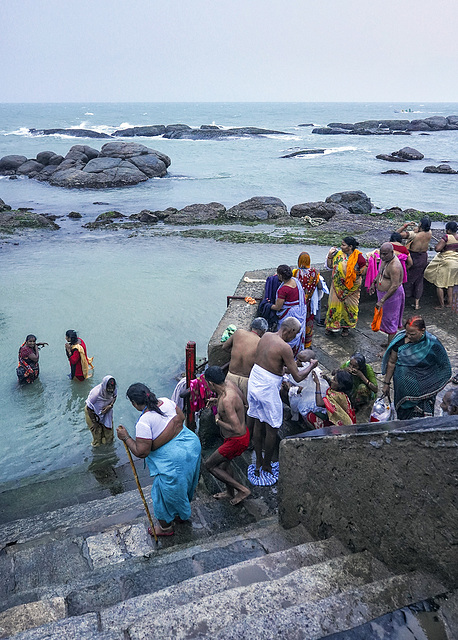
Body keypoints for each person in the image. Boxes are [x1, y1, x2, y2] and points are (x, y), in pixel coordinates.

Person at [117, 383, 201, 537]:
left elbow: (142, 452)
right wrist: (172, 428)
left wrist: (126, 437)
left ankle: (165, 528)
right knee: (184, 485)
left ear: (134, 403)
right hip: (191, 446)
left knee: (162, 494)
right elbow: (180, 419)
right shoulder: (167, 402)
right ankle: (179, 514)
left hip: (175, 459)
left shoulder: (144, 421)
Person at [247, 317, 318, 478]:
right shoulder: (285, 347)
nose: (296, 337)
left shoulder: (266, 336)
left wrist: (286, 369)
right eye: (296, 334)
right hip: (267, 388)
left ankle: (258, 461)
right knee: (272, 427)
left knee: (258, 422)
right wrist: (312, 365)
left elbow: (272, 365)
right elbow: (299, 377)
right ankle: (266, 464)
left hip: (255, 381)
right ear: (290, 331)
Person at [382, 316, 451, 420]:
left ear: (422, 330)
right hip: (402, 388)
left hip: (424, 388)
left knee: (421, 417)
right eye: (407, 333)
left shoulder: (432, 343)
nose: (408, 336)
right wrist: (386, 384)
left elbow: (444, 366)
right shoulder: (399, 341)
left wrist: (431, 382)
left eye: (412, 334)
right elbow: (392, 362)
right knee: (403, 415)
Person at [203, 366, 251, 505]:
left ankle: (242, 490)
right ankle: (230, 492)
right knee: (224, 465)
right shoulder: (229, 385)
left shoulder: (227, 400)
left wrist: (218, 420)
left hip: (236, 440)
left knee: (210, 465)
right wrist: (216, 402)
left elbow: (235, 428)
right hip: (237, 437)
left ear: (211, 383)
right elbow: (243, 403)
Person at [325, 237, 367, 337]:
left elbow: (363, 272)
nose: (341, 246)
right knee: (333, 306)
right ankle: (331, 327)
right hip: (337, 286)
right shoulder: (338, 254)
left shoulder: (359, 257)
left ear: (350, 247)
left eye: (343, 245)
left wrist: (355, 272)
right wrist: (330, 256)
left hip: (352, 288)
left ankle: (345, 328)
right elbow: (330, 266)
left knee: (349, 308)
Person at [222, 317, 268, 406]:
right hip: (247, 380)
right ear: (263, 331)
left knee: (229, 405)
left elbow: (224, 347)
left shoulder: (238, 333)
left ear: (251, 327)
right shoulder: (261, 342)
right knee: (246, 407)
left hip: (231, 376)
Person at [370, 242, 405, 352]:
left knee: (391, 321)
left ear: (392, 252)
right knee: (385, 318)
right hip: (383, 293)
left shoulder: (395, 266)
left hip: (392, 296)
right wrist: (373, 283)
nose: (383, 256)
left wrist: (383, 300)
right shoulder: (384, 260)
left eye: (385, 254)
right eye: (382, 254)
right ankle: (389, 342)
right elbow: (380, 273)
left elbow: (394, 285)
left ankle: (390, 349)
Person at [269, 264, 307, 356]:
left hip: (289, 314)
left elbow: (278, 307)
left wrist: (267, 305)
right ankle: (296, 354)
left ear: (281, 276)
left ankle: (284, 354)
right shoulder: (295, 281)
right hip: (299, 311)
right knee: (296, 334)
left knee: (286, 334)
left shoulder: (283, 289)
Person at [282, 349, 329, 422]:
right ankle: (293, 410)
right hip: (302, 394)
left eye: (300, 361)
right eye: (297, 359)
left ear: (309, 363)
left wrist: (292, 388)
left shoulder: (315, 373)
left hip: (310, 398)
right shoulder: (298, 366)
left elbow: (303, 387)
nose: (297, 362)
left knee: (285, 392)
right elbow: (286, 371)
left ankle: (298, 415)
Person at [397, 216, 432, 310]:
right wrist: (417, 229)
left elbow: (397, 234)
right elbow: (421, 231)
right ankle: (417, 303)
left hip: (413, 257)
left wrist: (406, 225)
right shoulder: (429, 233)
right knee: (419, 280)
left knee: (406, 278)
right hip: (423, 257)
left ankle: (401, 300)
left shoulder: (413, 235)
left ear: (420, 224)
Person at [424, 221, 458, 309]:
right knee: (450, 284)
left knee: (440, 285)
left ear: (449, 230)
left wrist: (442, 248)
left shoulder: (446, 237)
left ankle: (441, 305)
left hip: (447, 262)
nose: (446, 231)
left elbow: (437, 249)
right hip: (456, 263)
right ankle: (450, 303)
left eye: (447, 229)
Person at [292, 252, 322, 348]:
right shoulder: (315, 272)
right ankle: (307, 343)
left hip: (298, 303)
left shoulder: (296, 272)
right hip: (309, 303)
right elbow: (320, 286)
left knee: (297, 322)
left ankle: (297, 341)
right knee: (308, 323)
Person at [85, 376, 117, 446]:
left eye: (112, 389)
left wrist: (110, 405)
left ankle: (109, 452)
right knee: (97, 435)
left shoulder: (114, 389)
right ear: (104, 387)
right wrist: (95, 423)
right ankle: (97, 453)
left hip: (106, 411)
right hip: (92, 413)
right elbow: (89, 408)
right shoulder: (95, 394)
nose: (110, 391)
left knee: (109, 435)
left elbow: (114, 397)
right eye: (108, 389)